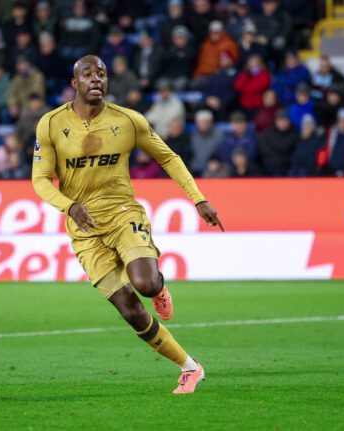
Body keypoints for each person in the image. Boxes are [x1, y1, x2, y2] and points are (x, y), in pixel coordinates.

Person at [32, 55, 223, 394]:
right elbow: (40, 180)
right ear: (74, 83)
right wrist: (69, 205)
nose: (96, 80)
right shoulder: (50, 124)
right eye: (87, 74)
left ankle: (159, 286)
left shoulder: (128, 121)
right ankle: (190, 367)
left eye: (101, 74)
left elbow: (167, 156)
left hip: (123, 214)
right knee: (131, 310)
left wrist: (198, 199)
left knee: (145, 285)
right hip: (84, 228)